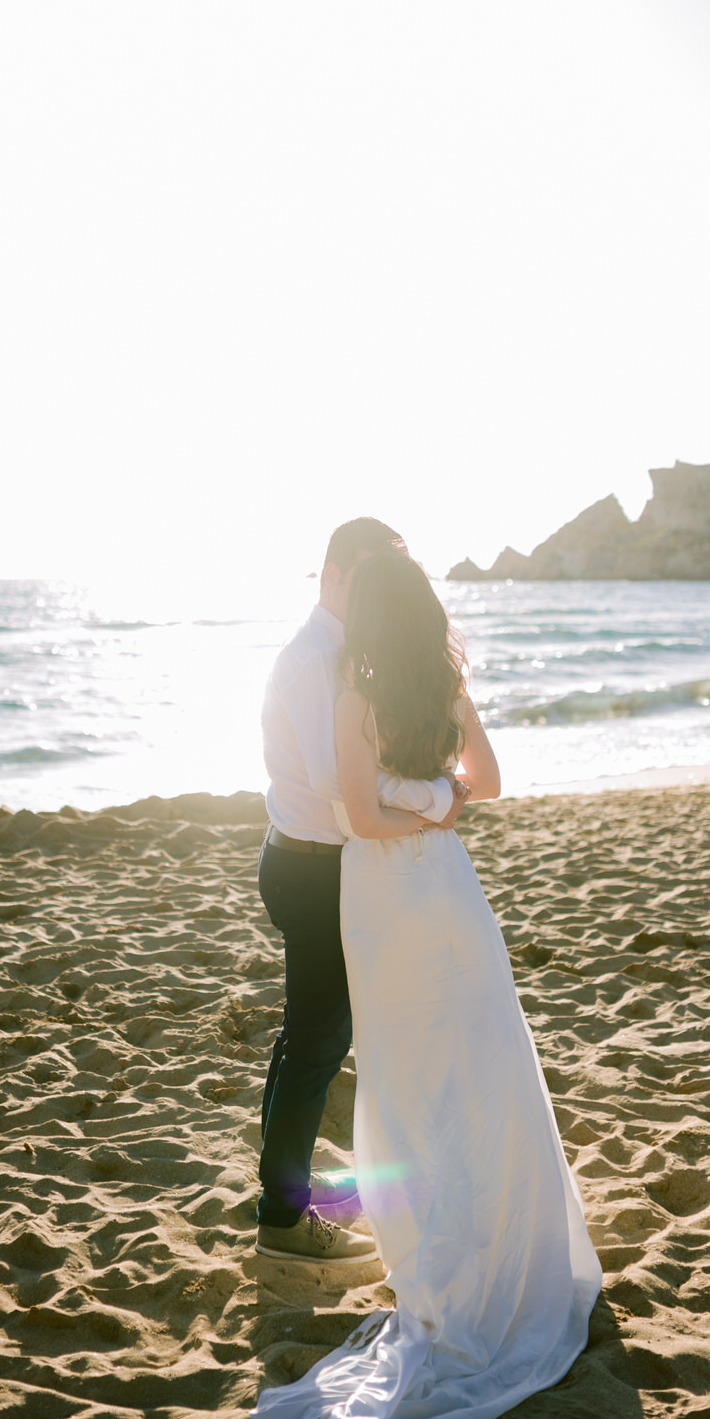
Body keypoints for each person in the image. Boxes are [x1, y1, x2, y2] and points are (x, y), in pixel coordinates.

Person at [250, 550, 602, 1419]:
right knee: (481, 1052)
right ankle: (507, 1242)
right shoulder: (445, 686)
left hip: (380, 898)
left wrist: (413, 805)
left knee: (405, 1073)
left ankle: (437, 1256)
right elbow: (488, 780)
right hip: (448, 889)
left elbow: (362, 820)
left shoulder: (353, 701)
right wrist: (441, 801)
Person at [256, 519, 468, 1265]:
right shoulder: (320, 661)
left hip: (313, 859)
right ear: (336, 574)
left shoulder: (340, 656)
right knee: (316, 1043)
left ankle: (287, 1192)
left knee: (309, 1039)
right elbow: (340, 787)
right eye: (371, 573)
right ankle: (282, 1220)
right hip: (312, 866)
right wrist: (437, 795)